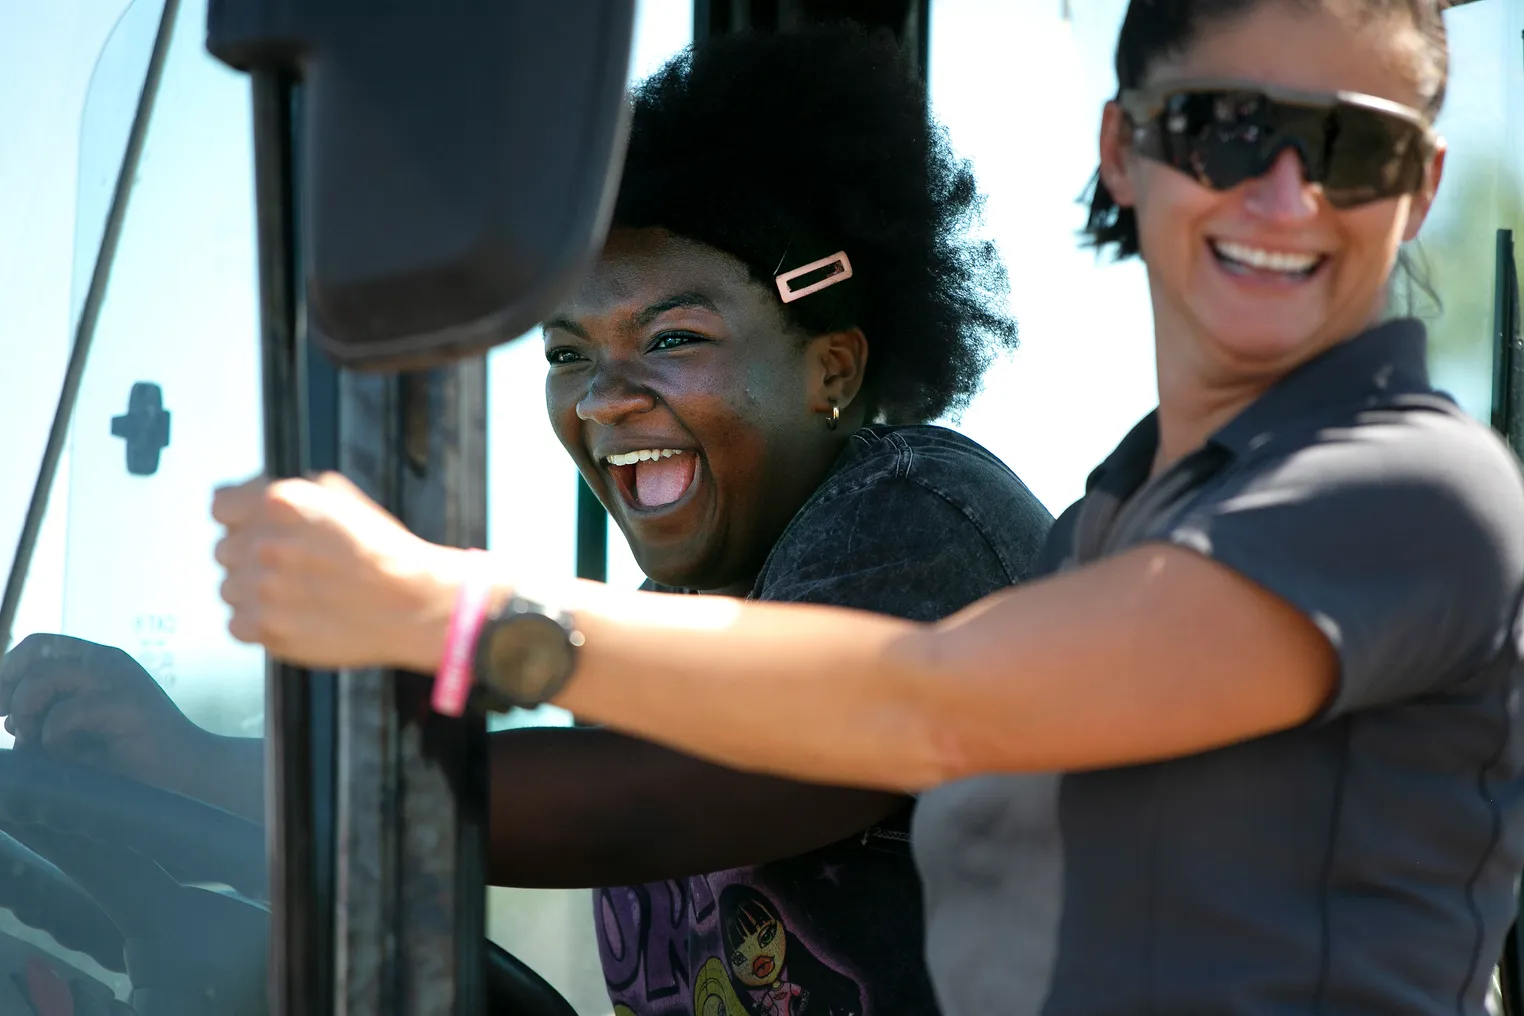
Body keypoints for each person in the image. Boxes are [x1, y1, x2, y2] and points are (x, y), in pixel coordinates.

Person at [204, 0, 1524, 1013]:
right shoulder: (1106, 537)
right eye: (1227, 129)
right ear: (1127, 149)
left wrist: (448, 618)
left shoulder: (1409, 496)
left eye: (1357, 148)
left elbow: (922, 702)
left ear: (1418, 190)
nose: (1287, 193)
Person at [0, 26, 1053, 1016]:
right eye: (567, 353)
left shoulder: (915, 520)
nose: (601, 398)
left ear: (832, 366)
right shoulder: (665, 626)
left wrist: (211, 772)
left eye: (672, 337)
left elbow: (654, 802)